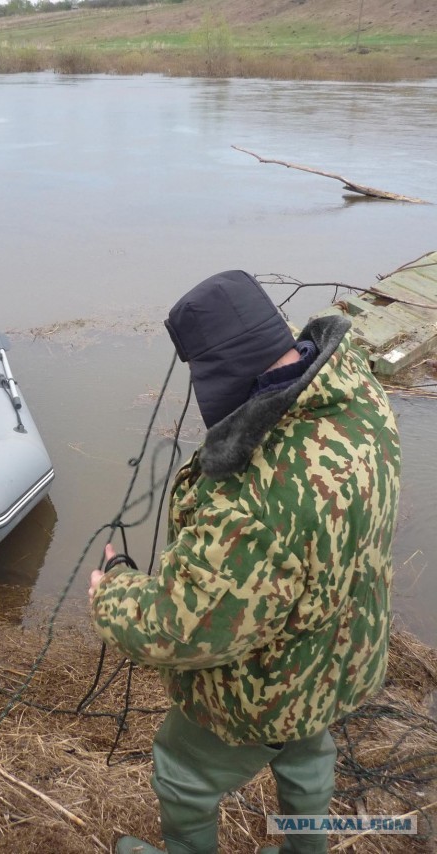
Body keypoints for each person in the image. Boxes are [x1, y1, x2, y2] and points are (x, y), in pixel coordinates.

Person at [88, 269, 401, 854]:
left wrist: (113, 590)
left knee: (182, 772)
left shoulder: (251, 501)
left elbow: (185, 628)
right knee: (308, 754)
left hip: (263, 688)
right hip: (337, 656)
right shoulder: (359, 397)